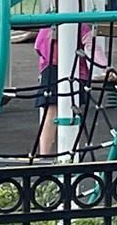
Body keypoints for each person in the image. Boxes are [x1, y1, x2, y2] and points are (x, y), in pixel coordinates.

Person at [34, 23, 95, 157]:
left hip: (50, 69)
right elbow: (91, 48)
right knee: (73, 110)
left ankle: (45, 154)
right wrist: (100, 69)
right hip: (75, 72)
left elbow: (38, 46)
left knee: (50, 112)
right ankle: (71, 153)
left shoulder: (46, 24)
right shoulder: (81, 25)